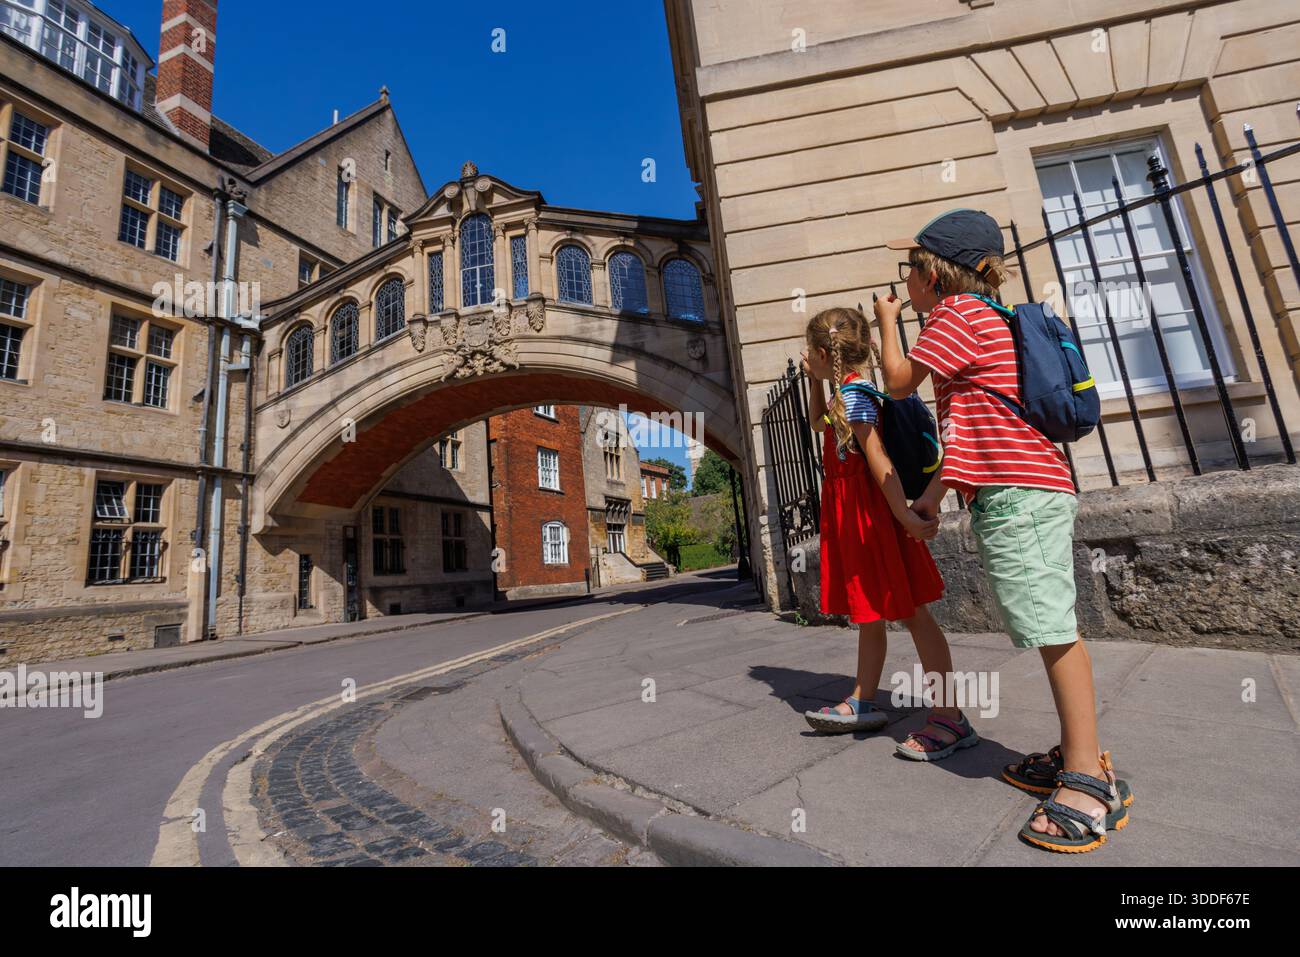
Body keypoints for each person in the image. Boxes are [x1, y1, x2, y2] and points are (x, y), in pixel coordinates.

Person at [876, 208, 1132, 851]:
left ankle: (1086, 779)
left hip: (1021, 494)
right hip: (1018, 488)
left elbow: (899, 383)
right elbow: (971, 434)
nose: (904, 280)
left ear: (933, 274)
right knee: (1045, 622)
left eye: (909, 268)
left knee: (1051, 627)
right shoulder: (983, 321)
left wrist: (887, 325)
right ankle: (1080, 754)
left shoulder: (957, 316)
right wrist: (934, 495)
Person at [800, 307, 978, 762]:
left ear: (824, 352)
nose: (805, 358)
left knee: (913, 612)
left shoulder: (857, 395)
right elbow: (816, 422)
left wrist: (903, 516)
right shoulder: (843, 391)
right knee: (870, 613)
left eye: (810, 355)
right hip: (856, 519)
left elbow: (879, 463)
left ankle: (950, 714)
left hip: (874, 518)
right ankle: (862, 698)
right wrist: (815, 380)